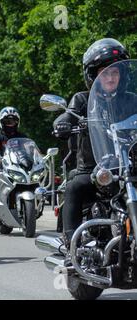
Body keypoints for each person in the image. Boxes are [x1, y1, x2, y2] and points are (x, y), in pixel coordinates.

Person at [53, 38, 132, 251]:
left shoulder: (131, 100)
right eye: (104, 72)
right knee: (74, 186)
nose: (110, 76)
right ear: (93, 75)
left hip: (128, 166)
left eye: (115, 72)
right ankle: (72, 245)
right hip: (94, 168)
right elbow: (66, 119)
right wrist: (63, 123)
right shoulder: (82, 100)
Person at [0, 107, 27, 219]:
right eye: (7, 121)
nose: (10, 124)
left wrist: (39, 157)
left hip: (20, 167)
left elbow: (31, 149)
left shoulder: (22, 136)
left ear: (17, 122)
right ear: (2, 122)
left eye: (13, 121)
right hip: (2, 165)